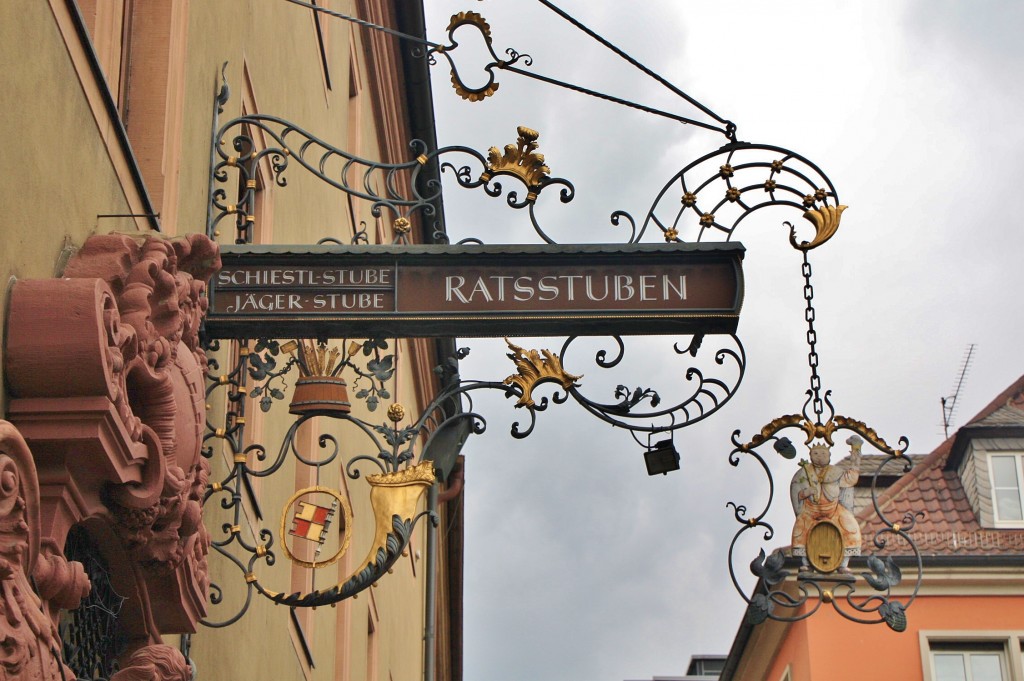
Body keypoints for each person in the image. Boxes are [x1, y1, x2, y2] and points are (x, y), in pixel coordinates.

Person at [790, 435, 863, 572]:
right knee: (801, 528)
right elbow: (796, 493)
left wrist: (856, 450)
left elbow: (851, 479)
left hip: (833, 510)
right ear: (810, 455)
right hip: (811, 512)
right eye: (816, 453)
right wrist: (806, 493)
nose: (820, 456)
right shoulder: (803, 473)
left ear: (829, 455)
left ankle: (843, 563)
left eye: (823, 454)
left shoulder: (836, 472)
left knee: (849, 526)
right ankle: (806, 561)